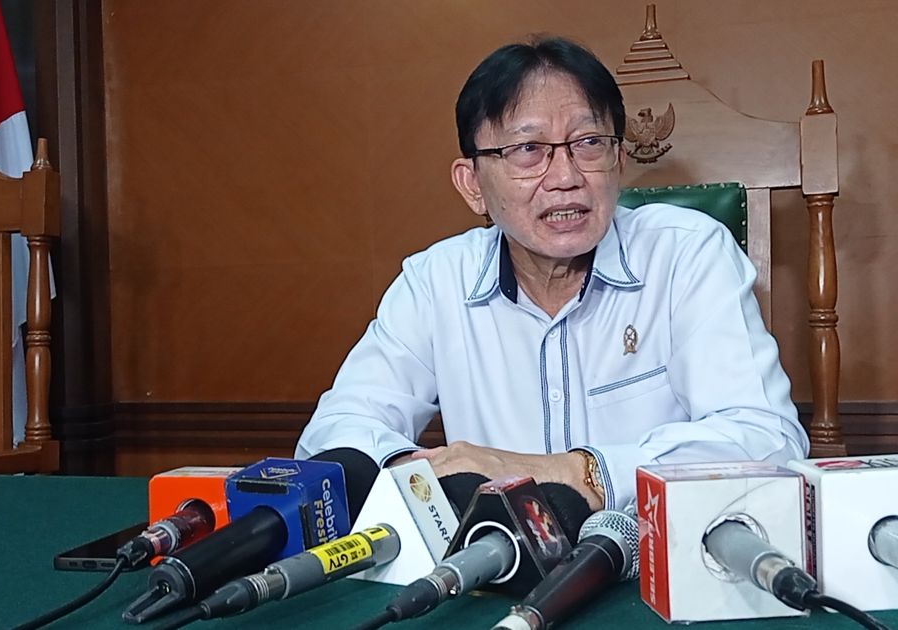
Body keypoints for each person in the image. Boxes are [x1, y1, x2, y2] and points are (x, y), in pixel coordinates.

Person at [295, 36, 808, 511]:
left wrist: (569, 473)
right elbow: (335, 433)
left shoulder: (686, 255)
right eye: (528, 150)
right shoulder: (435, 282)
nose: (565, 177)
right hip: (495, 562)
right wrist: (421, 476)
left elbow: (769, 442)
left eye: (589, 143)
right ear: (472, 185)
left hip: (652, 556)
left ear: (618, 160)